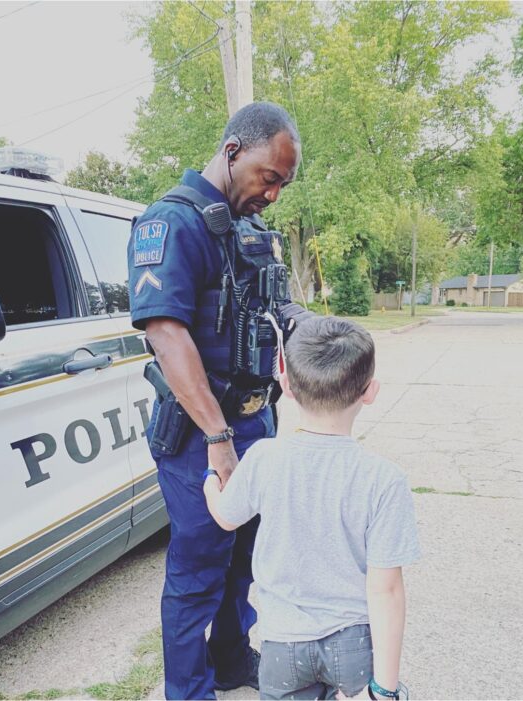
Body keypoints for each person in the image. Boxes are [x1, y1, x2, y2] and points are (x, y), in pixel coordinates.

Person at [128, 102, 311, 700]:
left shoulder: (249, 229)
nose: (274, 194)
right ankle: (188, 690)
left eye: (282, 183)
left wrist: (314, 328)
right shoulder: (172, 222)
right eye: (269, 177)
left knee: (242, 557)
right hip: (198, 437)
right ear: (233, 150)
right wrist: (217, 438)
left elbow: (275, 307)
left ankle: (232, 661)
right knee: (199, 567)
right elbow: (166, 333)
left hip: (256, 424)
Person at [204, 316, 420, 700]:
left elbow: (225, 516)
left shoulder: (264, 458)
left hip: (283, 645)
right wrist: (384, 690)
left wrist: (210, 480)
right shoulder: (384, 479)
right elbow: (387, 589)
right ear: (370, 392)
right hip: (353, 643)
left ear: (285, 387)